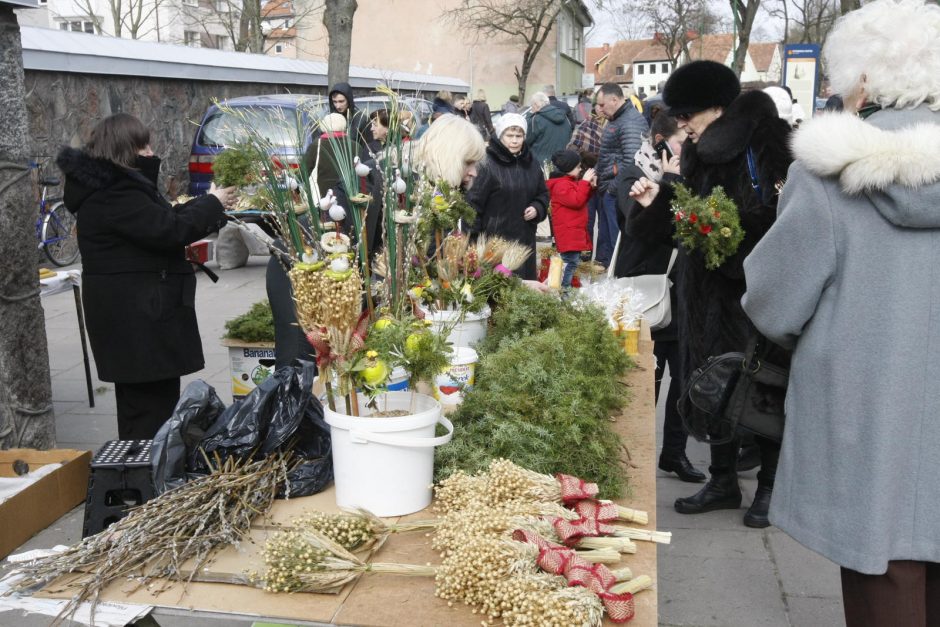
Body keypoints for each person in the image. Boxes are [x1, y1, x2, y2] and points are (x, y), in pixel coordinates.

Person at [741, 1, 940, 622]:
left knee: (884, 580)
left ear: (862, 81)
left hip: (868, 422)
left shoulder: (830, 172)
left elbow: (772, 302)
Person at [628, 60, 792, 527]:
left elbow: (788, 218)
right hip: (705, 295)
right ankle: (722, 482)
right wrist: (656, 204)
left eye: (687, 116)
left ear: (717, 109)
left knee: (763, 389)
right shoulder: (699, 151)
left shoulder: (768, 143)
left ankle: (770, 489)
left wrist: (729, 239)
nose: (681, 125)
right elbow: (691, 215)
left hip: (754, 294)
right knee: (713, 387)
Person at [56, 113, 235, 439]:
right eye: (144, 146)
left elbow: (159, 219)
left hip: (139, 322)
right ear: (125, 150)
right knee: (148, 417)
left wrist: (207, 204)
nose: (152, 152)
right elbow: (169, 230)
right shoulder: (115, 193)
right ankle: (148, 482)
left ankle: (147, 479)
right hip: (137, 324)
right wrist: (212, 203)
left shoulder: (117, 188)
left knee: (151, 408)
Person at [613, 113, 704, 483]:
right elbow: (644, 227)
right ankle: (633, 457)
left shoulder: (693, 177)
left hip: (681, 296)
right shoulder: (631, 177)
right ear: (661, 140)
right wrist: (668, 182)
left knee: (683, 382)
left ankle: (674, 454)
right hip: (643, 295)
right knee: (643, 383)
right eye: (683, 139)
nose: (689, 146)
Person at [467, 112, 549, 281]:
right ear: (500, 135)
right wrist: (473, 243)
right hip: (495, 241)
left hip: (524, 239)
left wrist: (537, 208)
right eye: (509, 135)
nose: (514, 140)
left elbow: (542, 193)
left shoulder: (531, 162)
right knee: (498, 288)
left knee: (524, 289)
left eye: (519, 136)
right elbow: (473, 204)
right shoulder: (487, 163)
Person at [595, 82, 648, 270]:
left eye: (602, 105)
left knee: (617, 241)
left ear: (614, 100)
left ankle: (617, 276)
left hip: (617, 190)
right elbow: (610, 154)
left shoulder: (630, 122)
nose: (599, 110)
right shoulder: (617, 119)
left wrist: (611, 189)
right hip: (609, 186)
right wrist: (597, 171)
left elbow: (631, 161)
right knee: (610, 240)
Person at [546, 149, 596, 291]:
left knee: (571, 262)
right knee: (569, 263)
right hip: (568, 233)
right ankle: (563, 290)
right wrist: (585, 182)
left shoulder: (569, 182)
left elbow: (581, 198)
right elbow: (576, 201)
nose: (580, 169)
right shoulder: (561, 185)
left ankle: (563, 289)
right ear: (568, 168)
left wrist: (590, 187)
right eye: (578, 167)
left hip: (572, 231)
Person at [526, 91, 572, 167]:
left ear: (536, 105)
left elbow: (526, 141)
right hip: (563, 164)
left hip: (542, 165)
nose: (532, 109)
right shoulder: (565, 117)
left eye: (532, 106)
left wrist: (529, 115)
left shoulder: (536, 119)